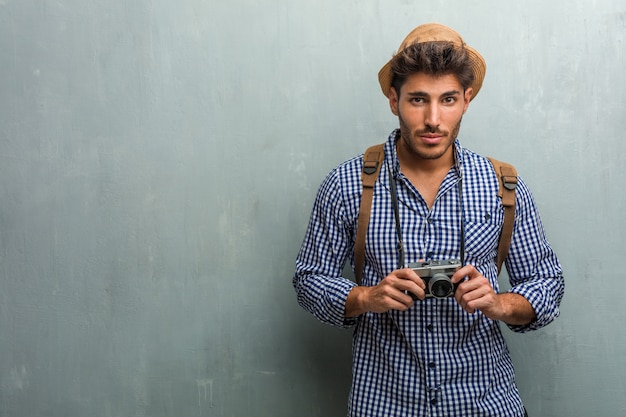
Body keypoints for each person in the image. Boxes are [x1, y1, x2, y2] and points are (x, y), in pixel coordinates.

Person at [293, 23, 564, 417]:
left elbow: (547, 285)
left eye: (448, 99)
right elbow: (308, 280)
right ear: (393, 100)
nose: (433, 119)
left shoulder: (502, 186)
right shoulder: (348, 183)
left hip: (484, 403)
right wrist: (367, 297)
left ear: (467, 100)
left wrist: (499, 303)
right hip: (383, 402)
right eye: (418, 100)